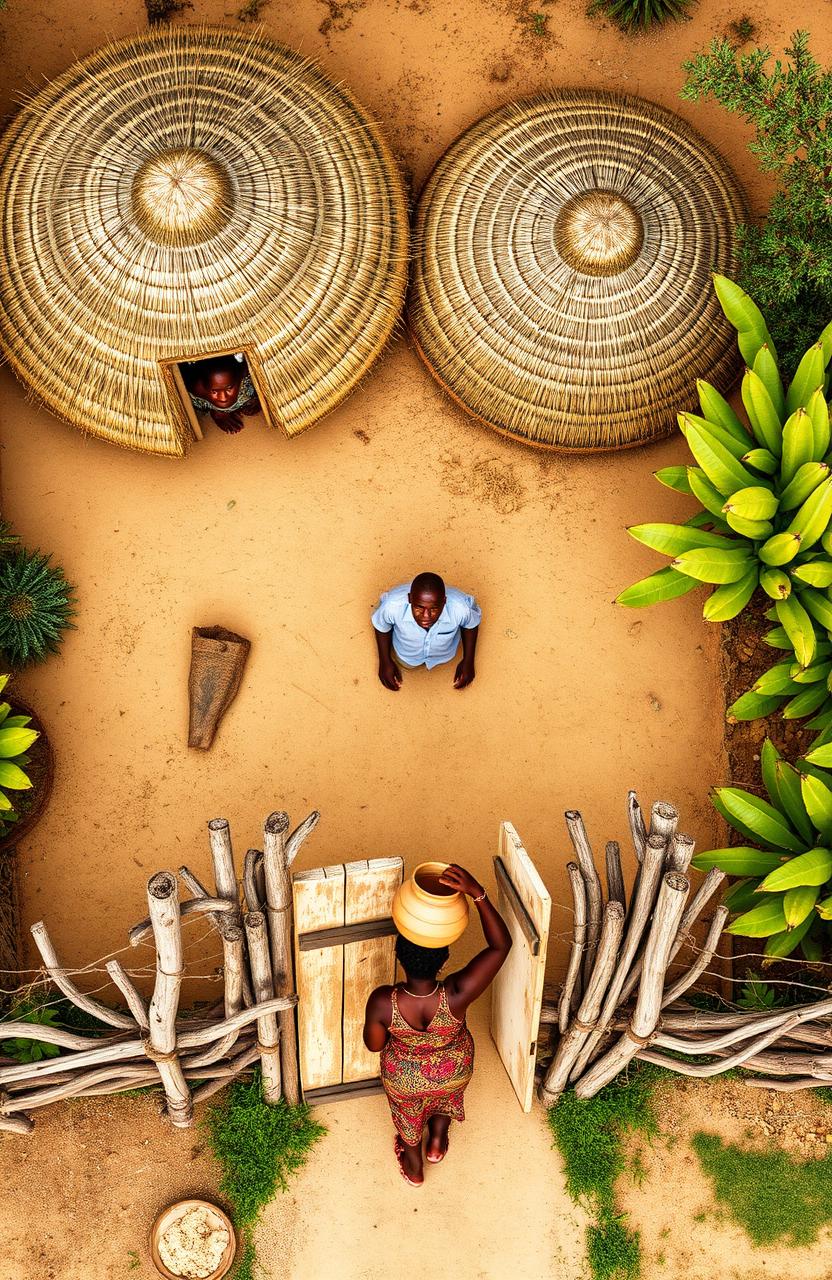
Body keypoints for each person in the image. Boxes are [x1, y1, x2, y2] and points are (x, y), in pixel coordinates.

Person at [363, 863, 511, 1187]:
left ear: (399, 955)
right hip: (453, 1069)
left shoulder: (382, 1001)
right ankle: (437, 1142)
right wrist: (477, 893)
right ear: (444, 959)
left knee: (409, 1114)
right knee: (444, 1096)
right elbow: (501, 946)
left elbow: (374, 1045)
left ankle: (415, 1165)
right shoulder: (456, 993)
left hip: (404, 1079)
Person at [371, 571, 481, 692]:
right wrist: (385, 661)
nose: (426, 616)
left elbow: (471, 625)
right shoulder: (392, 606)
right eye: (419, 607)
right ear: (410, 598)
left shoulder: (461, 608)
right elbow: (381, 626)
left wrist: (468, 661)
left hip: (444, 656)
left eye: (434, 609)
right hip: (406, 656)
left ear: (444, 601)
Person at [182, 355, 261, 434]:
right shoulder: (196, 390)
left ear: (239, 378)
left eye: (229, 388)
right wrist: (217, 412)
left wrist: (257, 398)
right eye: (214, 391)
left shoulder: (246, 377)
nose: (223, 398)